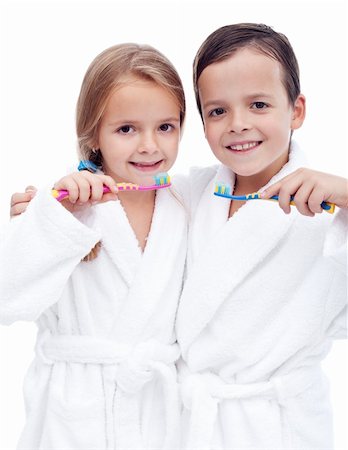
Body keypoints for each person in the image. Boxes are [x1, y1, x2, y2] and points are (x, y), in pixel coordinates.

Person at [0, 43, 188, 450]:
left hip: (156, 414)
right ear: (93, 133)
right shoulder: (65, 204)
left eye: (165, 127)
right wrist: (53, 220)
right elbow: (8, 298)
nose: (149, 145)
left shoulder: (187, 205)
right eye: (126, 129)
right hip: (73, 416)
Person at [175, 23, 347, 450]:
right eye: (217, 111)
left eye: (258, 104)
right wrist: (64, 203)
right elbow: (127, 201)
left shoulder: (329, 208)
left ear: (297, 110)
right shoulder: (193, 194)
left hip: (280, 428)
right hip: (188, 422)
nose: (238, 124)